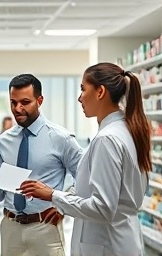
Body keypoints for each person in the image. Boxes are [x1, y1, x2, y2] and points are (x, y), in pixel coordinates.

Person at [20, 63, 151, 256]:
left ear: (100, 92)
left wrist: (53, 195)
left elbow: (102, 207)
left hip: (106, 244)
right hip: (122, 239)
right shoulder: (128, 130)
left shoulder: (107, 139)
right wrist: (66, 198)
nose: (79, 97)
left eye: (83, 89)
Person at [0, 74, 84, 255]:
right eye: (13, 102)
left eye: (25, 102)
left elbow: (86, 178)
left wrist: (62, 205)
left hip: (45, 228)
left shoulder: (61, 138)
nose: (17, 108)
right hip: (10, 228)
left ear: (40, 100)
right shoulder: (4, 140)